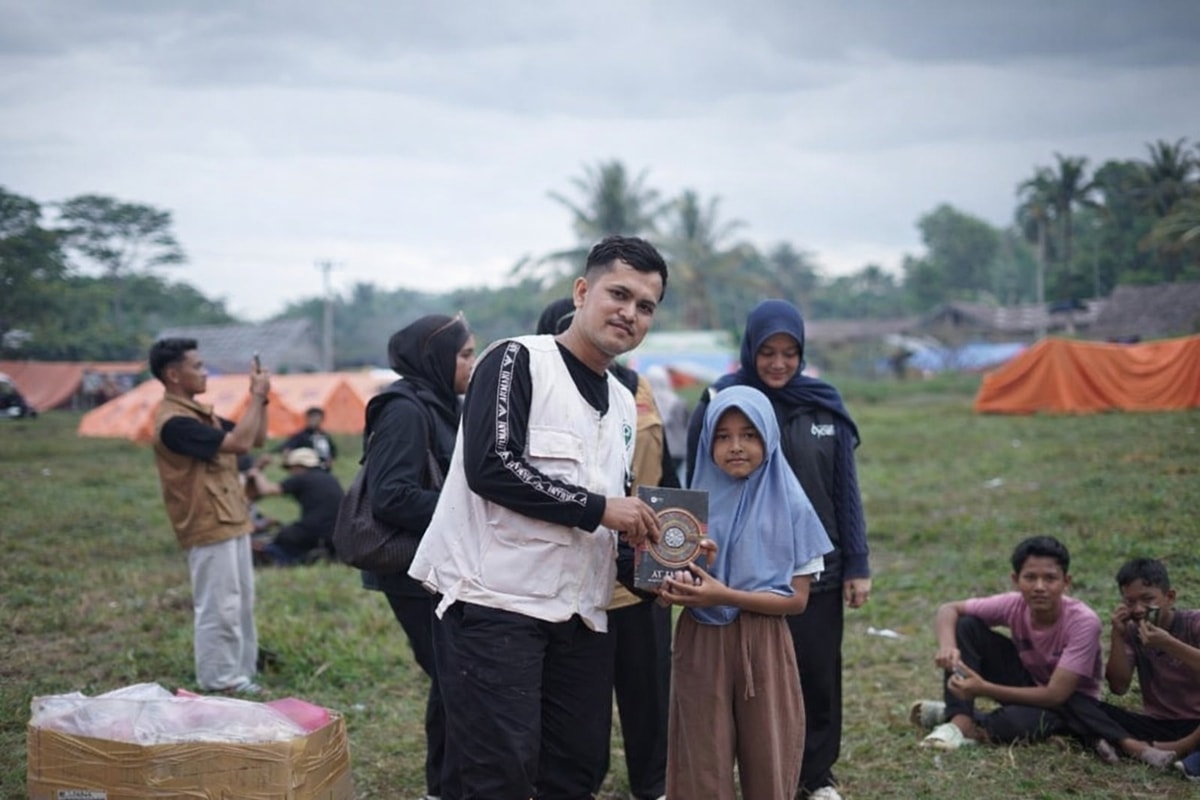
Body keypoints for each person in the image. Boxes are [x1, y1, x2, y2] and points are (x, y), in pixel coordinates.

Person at [408, 235, 668, 800]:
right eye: (618, 294)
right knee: (498, 774)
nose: (629, 313)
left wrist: (658, 569)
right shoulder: (516, 360)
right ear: (582, 291)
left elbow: (615, 519)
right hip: (494, 608)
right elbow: (492, 465)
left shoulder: (624, 404)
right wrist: (602, 510)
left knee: (575, 771)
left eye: (645, 306)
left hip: (581, 616)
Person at [685, 298, 868, 800]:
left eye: (790, 352)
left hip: (812, 564)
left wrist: (857, 563)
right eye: (768, 352)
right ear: (750, 350)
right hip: (733, 568)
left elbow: (845, 487)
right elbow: (697, 478)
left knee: (816, 671)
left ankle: (815, 774)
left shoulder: (823, 402)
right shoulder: (722, 398)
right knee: (745, 686)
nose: (779, 363)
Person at [661, 385, 832, 800]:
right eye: (722, 436)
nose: (736, 447)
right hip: (700, 641)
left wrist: (724, 595)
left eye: (749, 434)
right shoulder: (687, 508)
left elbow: (797, 600)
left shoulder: (793, 506)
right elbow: (668, 589)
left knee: (769, 760)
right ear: (707, 442)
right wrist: (674, 585)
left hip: (765, 643)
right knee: (701, 761)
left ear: (769, 438)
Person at [536, 297, 675, 800]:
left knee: (650, 692)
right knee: (579, 705)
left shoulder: (636, 390)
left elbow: (665, 475)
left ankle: (655, 784)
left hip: (639, 571)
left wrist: (670, 560)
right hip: (573, 581)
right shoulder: (539, 395)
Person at [908, 535, 1175, 766]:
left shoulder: (1082, 621)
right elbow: (948, 609)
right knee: (966, 625)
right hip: (1029, 682)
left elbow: (1055, 694)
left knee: (1014, 725)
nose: (1039, 587)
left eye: (1050, 578)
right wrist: (947, 646)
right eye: (1030, 577)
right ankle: (960, 722)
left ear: (1066, 581)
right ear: (1016, 579)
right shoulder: (1013, 604)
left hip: (1070, 700)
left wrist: (983, 688)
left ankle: (954, 715)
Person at [361, 313, 476, 800]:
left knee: (455, 679)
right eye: (466, 354)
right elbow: (391, 496)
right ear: (436, 358)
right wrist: (470, 508)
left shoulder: (441, 404)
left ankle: (450, 784)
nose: (472, 363)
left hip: (435, 563)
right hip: (411, 569)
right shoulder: (404, 409)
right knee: (454, 678)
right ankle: (445, 787)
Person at [149, 337, 269, 694]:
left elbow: (256, 437)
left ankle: (241, 673)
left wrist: (260, 396)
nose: (205, 372)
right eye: (197, 366)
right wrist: (257, 397)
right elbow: (241, 444)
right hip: (205, 521)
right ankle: (219, 679)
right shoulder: (174, 423)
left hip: (230, 516)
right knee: (219, 606)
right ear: (173, 374)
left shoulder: (202, 414)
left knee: (240, 602)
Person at [1091, 558, 1200, 766]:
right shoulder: (1134, 631)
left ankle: (1177, 749)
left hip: (1197, 723)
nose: (1139, 609)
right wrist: (1118, 635)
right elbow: (1119, 687)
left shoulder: (1194, 623)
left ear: (1170, 597)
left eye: (1148, 599)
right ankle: (1148, 748)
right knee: (1087, 708)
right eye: (1130, 602)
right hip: (1159, 723)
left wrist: (1170, 644)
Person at [246, 447, 345, 566]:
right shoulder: (330, 478)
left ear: (298, 466)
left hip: (314, 529)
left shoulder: (302, 478)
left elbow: (267, 490)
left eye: (291, 469)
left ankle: (273, 557)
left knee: (283, 536)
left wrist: (257, 473)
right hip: (338, 531)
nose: (290, 473)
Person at [644, 364, 688, 481]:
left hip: (656, 449)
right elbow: (684, 423)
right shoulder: (678, 401)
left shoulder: (646, 402)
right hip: (678, 449)